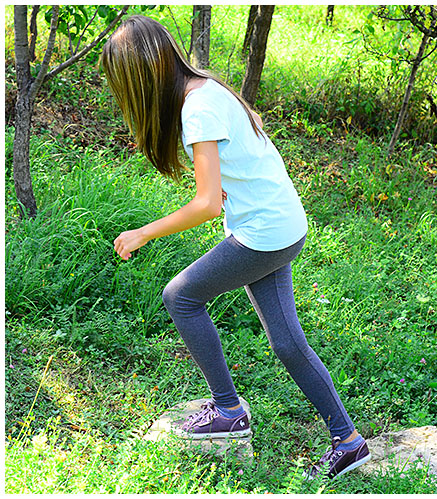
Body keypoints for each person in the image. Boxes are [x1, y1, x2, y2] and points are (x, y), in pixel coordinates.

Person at [100, 14, 369, 480]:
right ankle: (348, 441)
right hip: (281, 225)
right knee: (286, 341)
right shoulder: (204, 87)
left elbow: (205, 205)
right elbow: (244, 159)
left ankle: (227, 409)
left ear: (144, 74)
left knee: (180, 296)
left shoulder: (196, 108)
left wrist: (144, 232)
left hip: (263, 234)